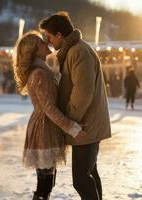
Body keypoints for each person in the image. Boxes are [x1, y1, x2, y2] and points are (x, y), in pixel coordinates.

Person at [39, 11, 111, 200]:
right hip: (86, 125)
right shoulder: (73, 51)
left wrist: (70, 124)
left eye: (49, 37)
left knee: (81, 179)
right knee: (89, 173)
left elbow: (82, 93)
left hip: (85, 127)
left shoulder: (78, 51)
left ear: (59, 35)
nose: (49, 42)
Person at [13, 31, 86, 200]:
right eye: (41, 43)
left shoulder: (42, 69)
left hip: (46, 127)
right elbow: (49, 108)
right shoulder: (39, 73)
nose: (47, 44)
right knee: (45, 184)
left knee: (47, 182)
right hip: (44, 129)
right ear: (33, 51)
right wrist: (72, 127)